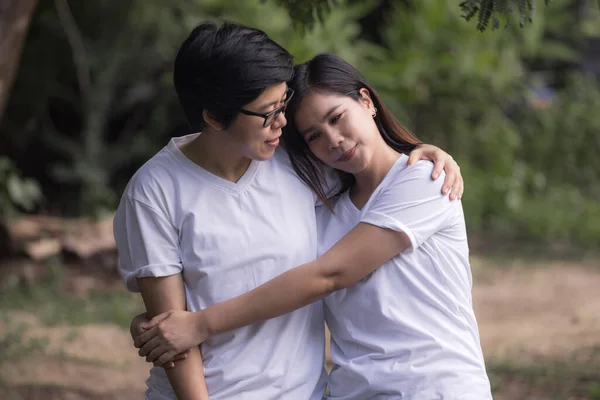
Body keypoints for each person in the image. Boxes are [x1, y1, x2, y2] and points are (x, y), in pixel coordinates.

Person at [115, 21, 463, 400]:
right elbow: (170, 333)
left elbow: (372, 169)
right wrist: (155, 328)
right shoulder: (154, 191)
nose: (281, 122)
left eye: (283, 106)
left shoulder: (295, 163)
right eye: (268, 113)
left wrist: (424, 152)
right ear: (214, 117)